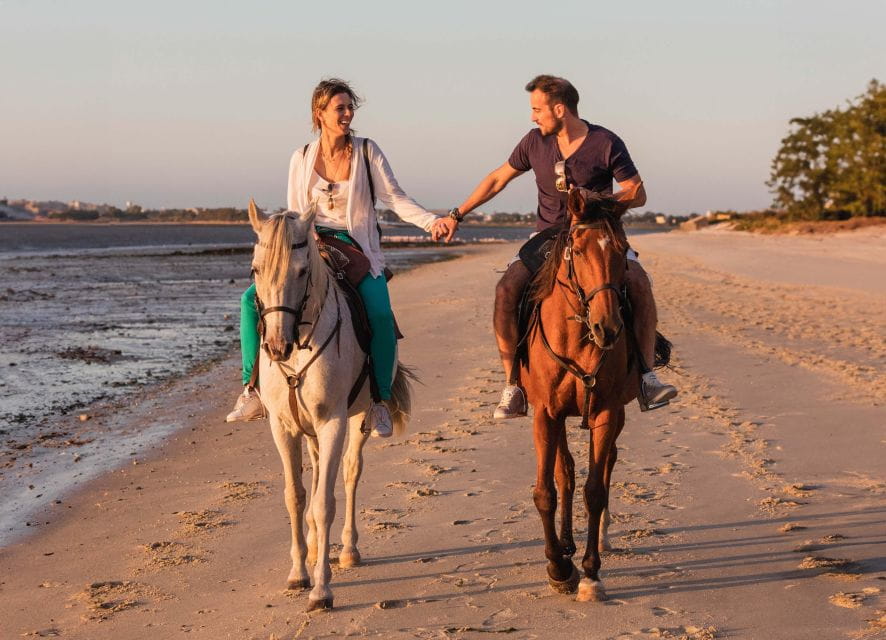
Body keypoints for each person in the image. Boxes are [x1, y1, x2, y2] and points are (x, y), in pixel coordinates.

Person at [436, 74, 677, 417]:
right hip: (548, 236)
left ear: (560, 109)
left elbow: (637, 192)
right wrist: (457, 214)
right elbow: (496, 179)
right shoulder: (534, 142)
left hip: (595, 235)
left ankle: (648, 378)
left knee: (638, 283)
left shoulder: (605, 142)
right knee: (507, 290)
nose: (533, 117)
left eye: (537, 109)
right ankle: (513, 386)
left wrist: (597, 201)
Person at [226, 78, 450, 436]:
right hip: (309, 246)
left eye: (350, 108)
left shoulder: (366, 151)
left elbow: (395, 198)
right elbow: (297, 211)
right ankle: (251, 389)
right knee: (251, 299)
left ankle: (379, 399)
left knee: (378, 312)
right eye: (339, 108)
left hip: (356, 246)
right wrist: (302, 239)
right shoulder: (300, 157)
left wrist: (431, 221)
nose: (347, 114)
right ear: (320, 113)